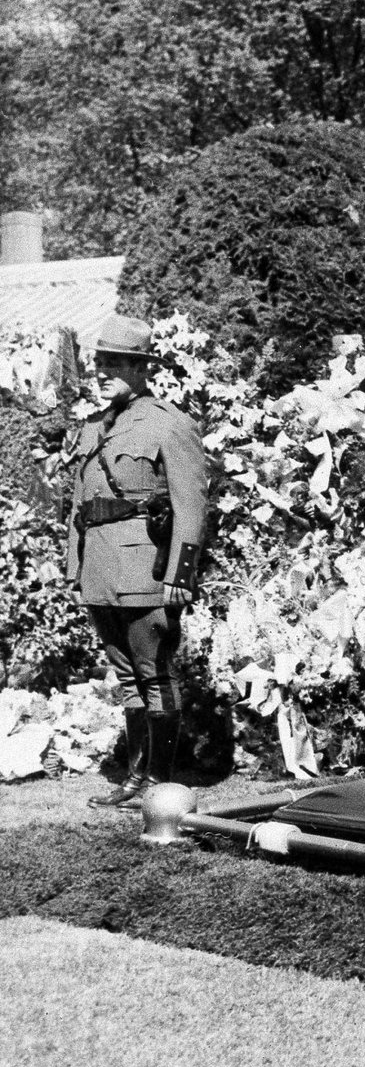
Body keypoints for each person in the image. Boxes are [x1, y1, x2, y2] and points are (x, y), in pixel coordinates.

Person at [65, 315, 209, 809]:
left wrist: (180, 576)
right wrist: (73, 568)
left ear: (141, 368)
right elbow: (80, 507)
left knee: (155, 672)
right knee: (127, 676)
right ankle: (135, 776)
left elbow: (191, 506)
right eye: (99, 363)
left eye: (115, 364)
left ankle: (161, 781)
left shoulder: (169, 423)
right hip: (101, 570)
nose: (103, 372)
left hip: (146, 568)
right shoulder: (92, 428)